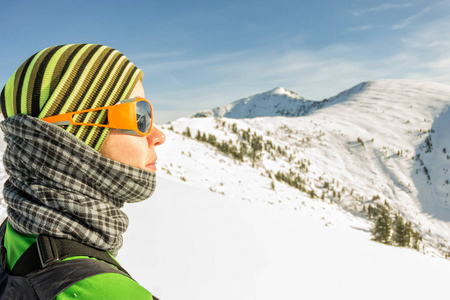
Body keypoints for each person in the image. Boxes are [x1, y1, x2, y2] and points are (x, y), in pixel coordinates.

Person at [0, 44, 165, 299]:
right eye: (139, 115)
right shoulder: (109, 294)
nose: (158, 135)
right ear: (71, 138)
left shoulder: (12, 234)